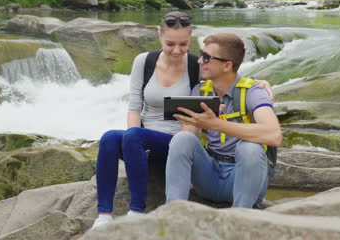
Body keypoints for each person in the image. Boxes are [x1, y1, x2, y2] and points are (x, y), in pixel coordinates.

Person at [92, 14, 274, 228]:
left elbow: (228, 73)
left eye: (184, 44)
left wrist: (260, 83)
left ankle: (137, 211)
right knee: (110, 138)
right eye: (170, 43)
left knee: (138, 136)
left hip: (174, 144)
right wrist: (136, 146)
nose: (177, 50)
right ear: (159, 35)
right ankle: (104, 215)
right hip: (146, 139)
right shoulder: (145, 62)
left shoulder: (196, 65)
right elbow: (134, 106)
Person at [165, 33, 282, 208]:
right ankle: (173, 211)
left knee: (250, 147)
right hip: (209, 177)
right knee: (181, 139)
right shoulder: (200, 90)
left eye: (206, 58)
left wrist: (215, 124)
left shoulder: (253, 92)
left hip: (243, 180)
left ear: (227, 65)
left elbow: (274, 135)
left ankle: (240, 217)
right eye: (200, 55)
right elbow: (185, 139)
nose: (199, 61)